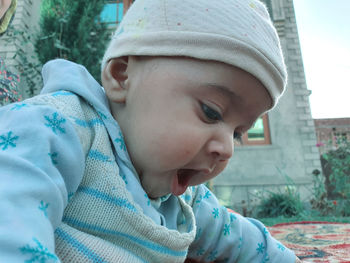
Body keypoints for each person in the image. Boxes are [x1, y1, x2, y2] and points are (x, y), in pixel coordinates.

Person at [0, 0, 302, 262]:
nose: (227, 148)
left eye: (238, 132)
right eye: (211, 111)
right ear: (121, 77)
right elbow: (11, 216)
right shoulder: (59, 127)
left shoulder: (186, 201)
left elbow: (239, 238)